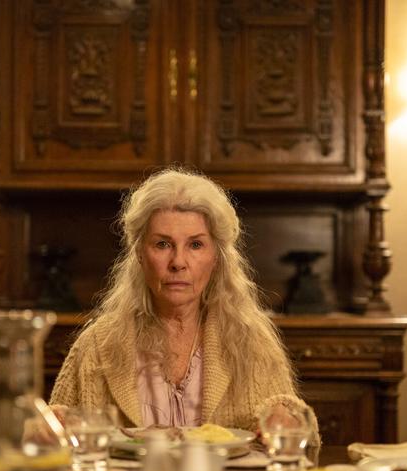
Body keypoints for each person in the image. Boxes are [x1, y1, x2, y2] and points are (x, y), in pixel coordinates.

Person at [50, 168, 318, 435]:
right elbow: (50, 446)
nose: (178, 262)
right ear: (140, 255)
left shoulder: (252, 341)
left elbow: (298, 443)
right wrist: (53, 426)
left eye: (195, 245)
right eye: (163, 244)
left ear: (216, 257)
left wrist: (291, 420)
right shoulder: (96, 345)